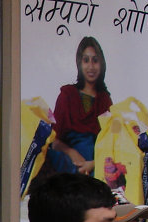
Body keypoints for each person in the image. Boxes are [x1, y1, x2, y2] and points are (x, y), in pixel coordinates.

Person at [46, 36, 112, 178]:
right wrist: (72, 153)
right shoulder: (67, 95)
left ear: (102, 64)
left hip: (95, 163)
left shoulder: (104, 100)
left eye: (95, 60)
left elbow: (110, 144)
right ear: (79, 63)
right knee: (43, 156)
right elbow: (54, 141)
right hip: (69, 161)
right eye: (86, 60)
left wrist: (93, 164)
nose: (91, 66)